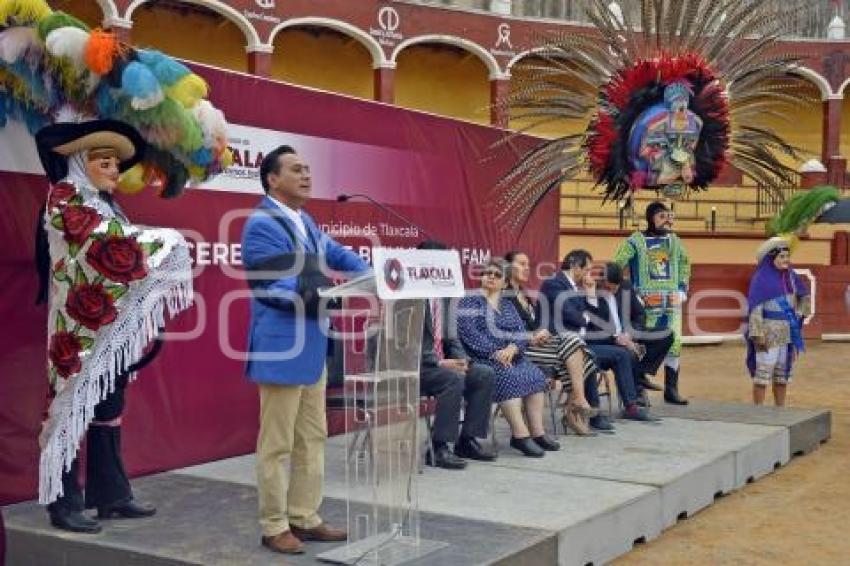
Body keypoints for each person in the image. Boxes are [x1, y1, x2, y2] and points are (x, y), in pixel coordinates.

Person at [34, 120, 193, 532]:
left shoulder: (104, 204)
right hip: (76, 328)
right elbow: (103, 243)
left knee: (107, 407)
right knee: (70, 409)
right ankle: (62, 502)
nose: (113, 171)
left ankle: (110, 495)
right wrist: (169, 241)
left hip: (103, 323)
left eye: (115, 164)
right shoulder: (64, 199)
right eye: (104, 162)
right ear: (81, 164)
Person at [242, 145, 369, 555]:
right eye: (296, 169)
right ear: (272, 179)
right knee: (277, 444)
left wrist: (372, 274)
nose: (306, 175)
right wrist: (332, 298)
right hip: (282, 349)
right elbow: (273, 288)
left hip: (313, 347)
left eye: (308, 168)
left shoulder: (306, 220)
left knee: (312, 437)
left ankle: (304, 515)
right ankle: (273, 524)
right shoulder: (261, 223)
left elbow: (337, 254)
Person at [539, 250, 657, 425]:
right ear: (575, 267)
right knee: (590, 357)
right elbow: (573, 315)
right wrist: (584, 316)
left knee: (622, 353)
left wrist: (591, 296)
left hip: (581, 342)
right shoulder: (554, 284)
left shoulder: (577, 287)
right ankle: (593, 412)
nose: (589, 275)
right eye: (586, 270)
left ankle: (631, 406)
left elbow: (593, 318)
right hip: (561, 346)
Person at [457, 259, 558, 458]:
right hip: (484, 357)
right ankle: (520, 435)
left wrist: (513, 348)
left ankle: (537, 433)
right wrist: (497, 352)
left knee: (535, 375)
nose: (490, 277)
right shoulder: (470, 301)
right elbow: (469, 334)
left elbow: (521, 334)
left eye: (496, 275)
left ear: (505, 283)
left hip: (512, 356)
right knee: (508, 375)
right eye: (487, 273)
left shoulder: (508, 306)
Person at [417, 241, 496, 469]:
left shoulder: (445, 296)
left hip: (443, 363)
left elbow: (452, 338)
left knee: (483, 374)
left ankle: (467, 440)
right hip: (419, 366)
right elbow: (403, 345)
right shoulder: (406, 298)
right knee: (453, 379)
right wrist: (442, 363)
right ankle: (438, 447)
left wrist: (462, 361)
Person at [504, 251, 599, 436]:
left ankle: (575, 408)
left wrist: (538, 333)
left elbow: (590, 318)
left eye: (528, 264)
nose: (527, 268)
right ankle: (576, 405)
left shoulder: (523, 294)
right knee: (575, 345)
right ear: (508, 267)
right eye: (522, 264)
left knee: (577, 349)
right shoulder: (504, 295)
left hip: (538, 344)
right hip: (519, 348)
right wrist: (531, 335)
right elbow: (508, 329)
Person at [614, 201, 690, 405]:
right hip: (644, 305)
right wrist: (628, 292)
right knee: (642, 346)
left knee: (674, 344)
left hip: (671, 303)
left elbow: (685, 265)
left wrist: (682, 291)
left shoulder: (675, 241)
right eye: (661, 216)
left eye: (669, 216)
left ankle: (671, 390)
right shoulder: (635, 241)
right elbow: (616, 265)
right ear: (650, 218)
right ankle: (637, 389)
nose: (667, 221)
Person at [745, 237, 810, 407]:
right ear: (771, 258)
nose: (786, 260)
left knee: (783, 375)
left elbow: (804, 297)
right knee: (762, 375)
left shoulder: (792, 277)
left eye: (787, 256)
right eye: (781, 257)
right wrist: (757, 334)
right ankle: (758, 410)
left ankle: (780, 410)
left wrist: (800, 313)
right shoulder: (760, 279)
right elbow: (755, 309)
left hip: (788, 333)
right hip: (767, 333)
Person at [599, 263, 673, 394]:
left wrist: (630, 334)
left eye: (616, 288)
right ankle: (635, 390)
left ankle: (640, 373)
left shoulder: (626, 286)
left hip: (631, 333)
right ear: (603, 281)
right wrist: (618, 338)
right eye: (609, 288)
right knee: (629, 353)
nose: (613, 291)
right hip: (610, 340)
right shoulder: (594, 292)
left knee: (666, 335)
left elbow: (640, 315)